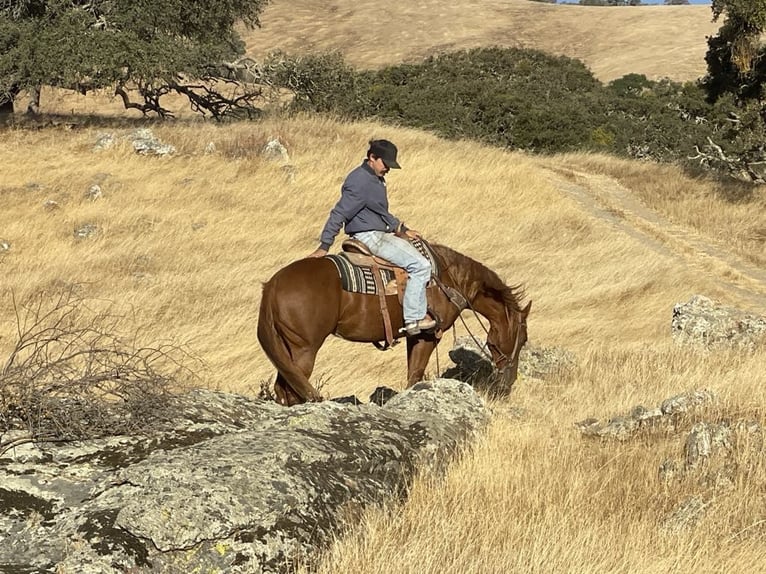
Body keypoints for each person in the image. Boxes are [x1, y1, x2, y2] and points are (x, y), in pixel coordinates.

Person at [309, 139, 436, 336]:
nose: (388, 169)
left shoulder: (374, 179)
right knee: (421, 266)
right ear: (372, 158)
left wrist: (402, 228)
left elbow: (379, 211)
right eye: (385, 164)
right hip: (371, 236)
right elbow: (339, 213)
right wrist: (324, 246)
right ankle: (414, 318)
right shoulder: (360, 181)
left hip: (378, 232)